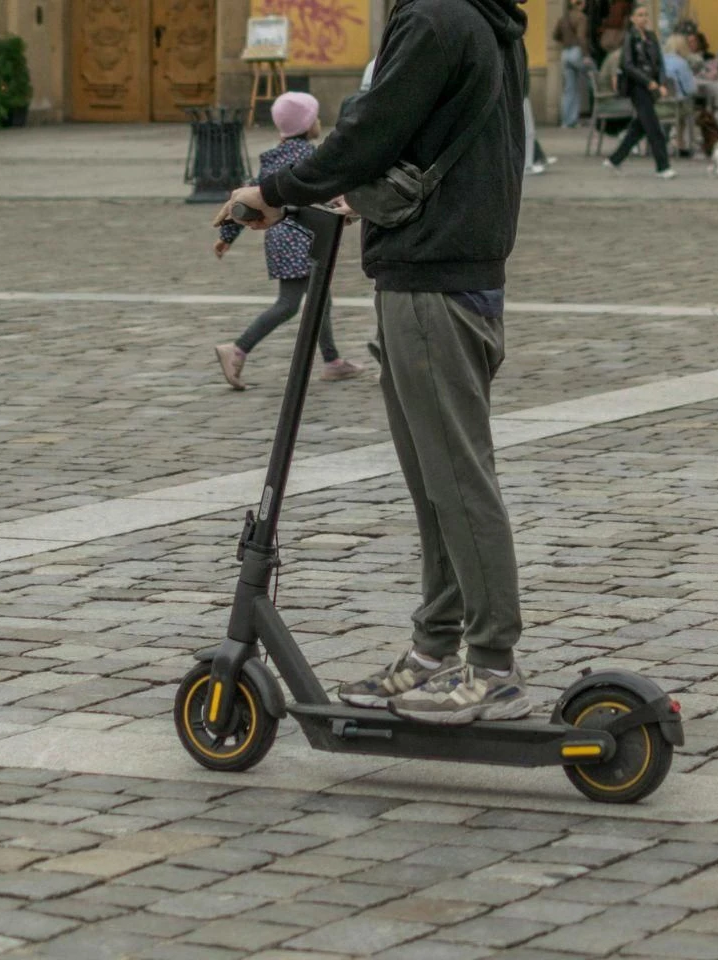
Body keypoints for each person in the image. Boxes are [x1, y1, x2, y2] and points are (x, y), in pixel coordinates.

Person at [215, 0, 533, 725]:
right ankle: (433, 650)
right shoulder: (483, 17)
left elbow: (367, 134)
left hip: (433, 281)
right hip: (456, 270)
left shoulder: (433, 18)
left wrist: (272, 190)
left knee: (456, 480)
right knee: (436, 486)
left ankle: (493, 667)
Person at [213, 92, 362, 390]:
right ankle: (238, 349)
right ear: (308, 126)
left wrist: (227, 236)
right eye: (315, 117)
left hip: (279, 236)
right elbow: (323, 190)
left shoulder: (273, 157)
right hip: (301, 235)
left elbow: (253, 197)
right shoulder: (308, 156)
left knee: (321, 298)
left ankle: (332, 361)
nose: (319, 122)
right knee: (289, 304)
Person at [603, 5, 675, 178]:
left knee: (640, 126)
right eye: (640, 15)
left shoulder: (651, 37)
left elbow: (660, 63)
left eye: (645, 15)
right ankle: (663, 166)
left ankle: (614, 160)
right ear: (633, 19)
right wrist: (647, 81)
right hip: (638, 87)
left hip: (651, 87)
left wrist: (662, 82)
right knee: (654, 127)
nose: (643, 18)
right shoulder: (630, 37)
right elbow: (627, 65)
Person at [554, 0, 590, 128]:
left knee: (569, 89)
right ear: (581, 4)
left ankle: (566, 121)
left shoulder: (563, 18)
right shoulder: (581, 17)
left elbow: (555, 35)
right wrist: (586, 55)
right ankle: (576, 119)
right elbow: (581, 37)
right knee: (589, 79)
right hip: (576, 51)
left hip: (565, 53)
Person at [663, 33, 698, 156]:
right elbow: (691, 89)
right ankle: (680, 142)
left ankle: (667, 140)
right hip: (674, 106)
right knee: (685, 109)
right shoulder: (681, 63)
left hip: (655, 104)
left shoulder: (659, 61)